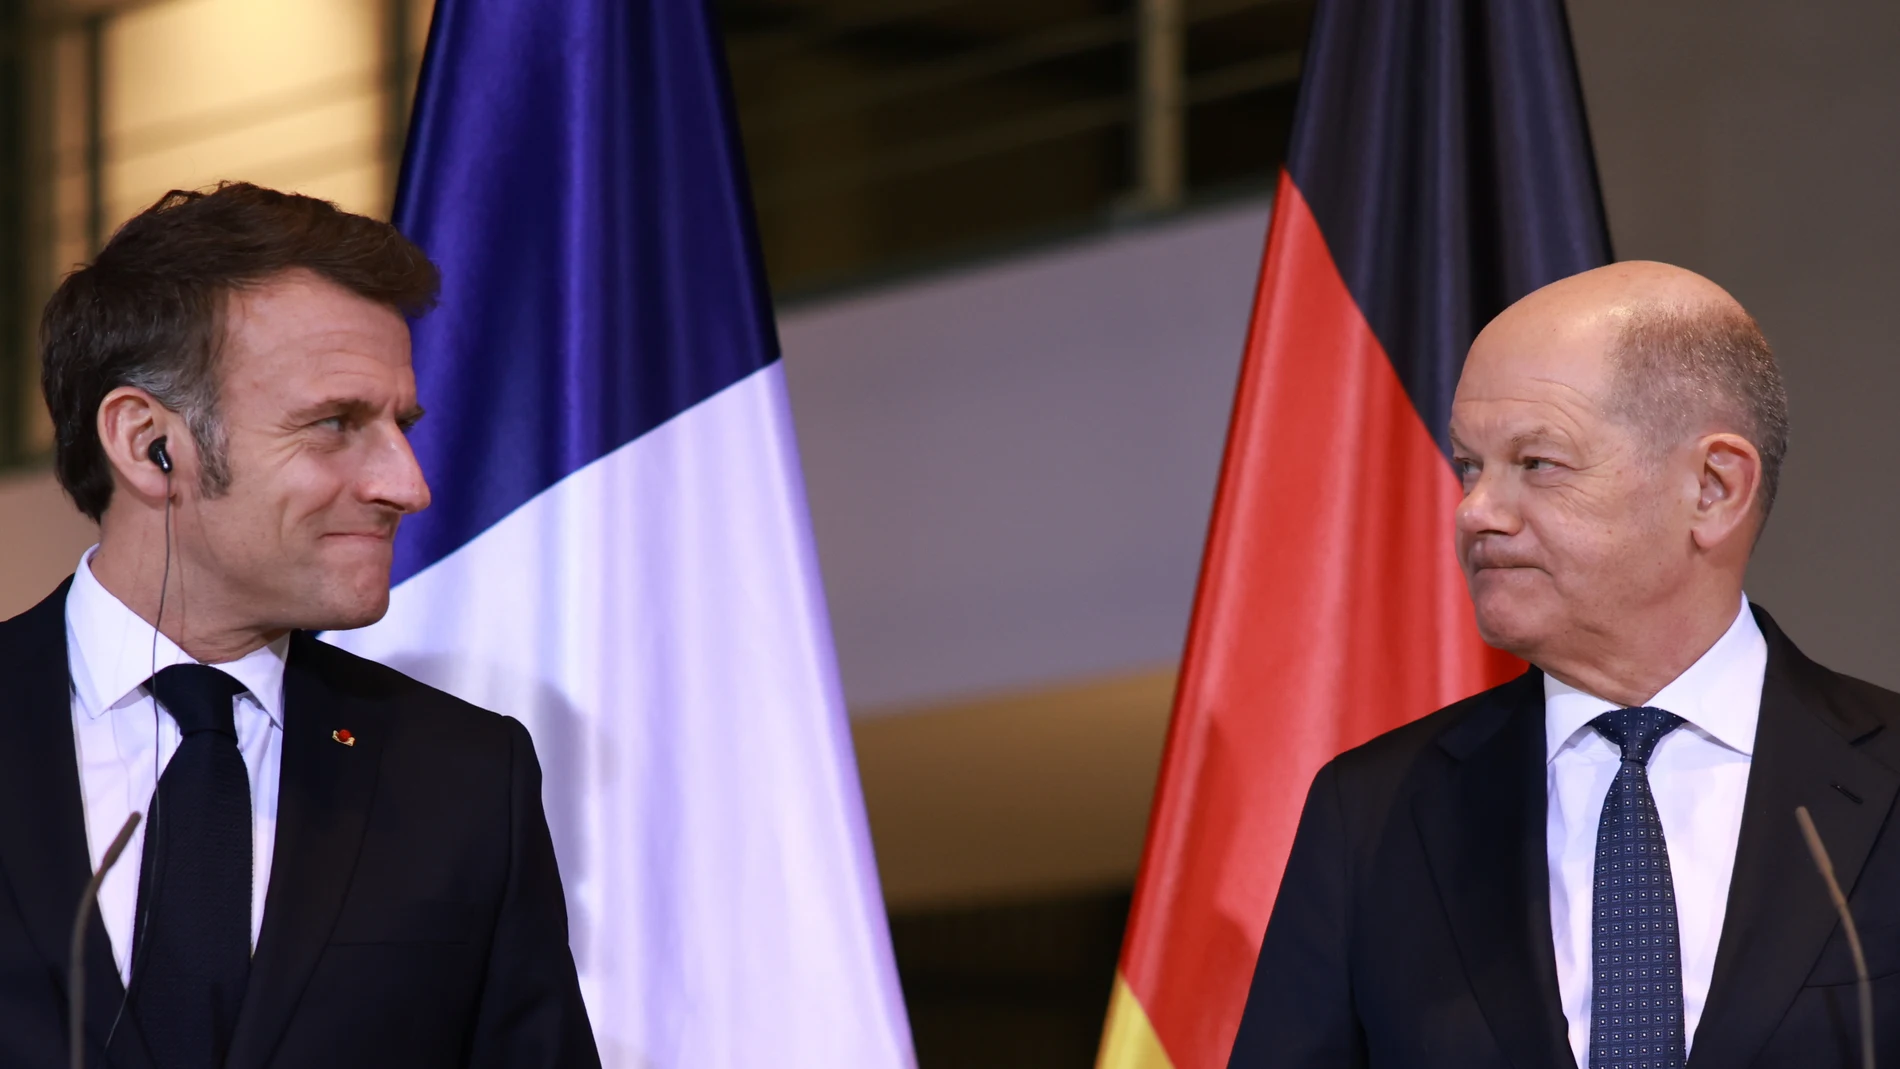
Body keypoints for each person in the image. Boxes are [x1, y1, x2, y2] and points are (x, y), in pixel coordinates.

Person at [1228, 261, 1900, 1068]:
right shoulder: (1371, 814)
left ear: (1714, 489)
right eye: (1470, 465)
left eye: (1537, 462)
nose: (1475, 510)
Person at [0, 183, 601, 1068]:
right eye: (335, 424)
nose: (408, 484)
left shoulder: (467, 778)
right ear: (147, 443)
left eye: (399, 425)